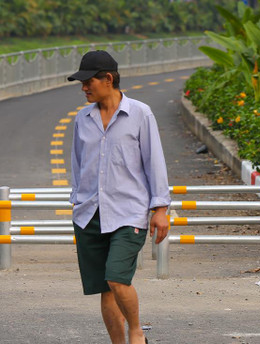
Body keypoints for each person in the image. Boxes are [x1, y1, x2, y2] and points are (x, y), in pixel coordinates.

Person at [68, 50, 170, 344]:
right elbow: (77, 163)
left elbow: (155, 162)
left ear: (108, 79)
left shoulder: (140, 113)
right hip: (90, 213)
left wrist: (160, 209)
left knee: (116, 277)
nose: (84, 87)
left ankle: (136, 332)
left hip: (128, 211)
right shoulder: (82, 118)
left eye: (89, 81)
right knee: (105, 287)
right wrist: (77, 200)